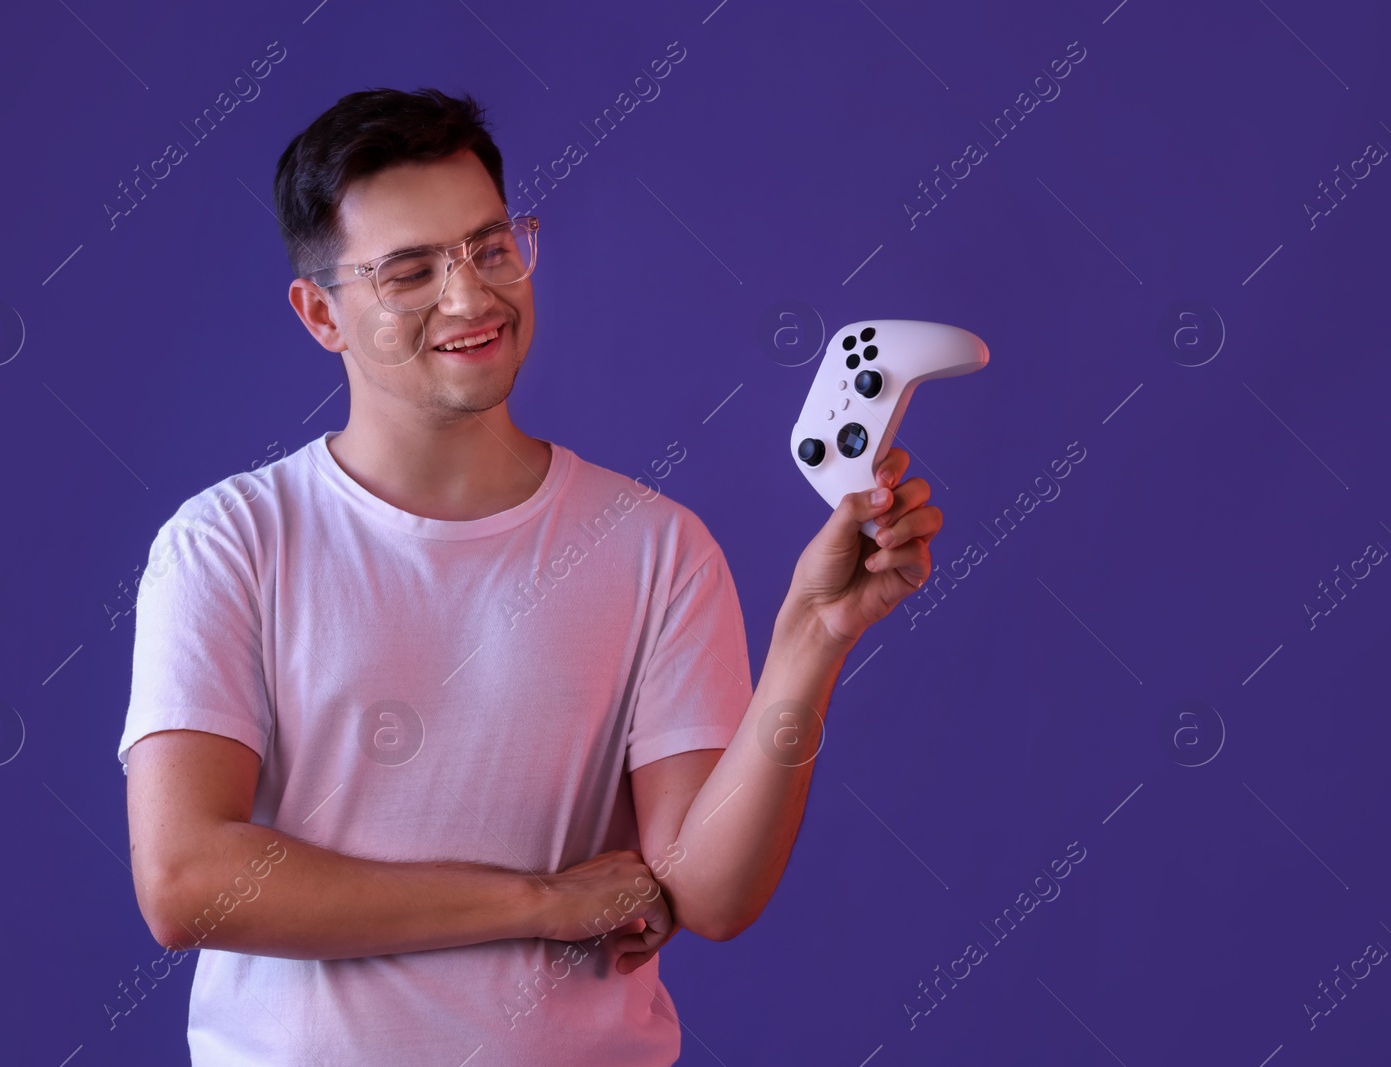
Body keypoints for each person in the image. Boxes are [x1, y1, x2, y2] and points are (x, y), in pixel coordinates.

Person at [117, 86, 941, 1066]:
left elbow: (708, 892)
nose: (470, 297)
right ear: (318, 312)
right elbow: (188, 878)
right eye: (409, 271)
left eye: (490, 248)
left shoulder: (655, 547)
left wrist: (810, 642)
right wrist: (536, 901)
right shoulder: (230, 542)